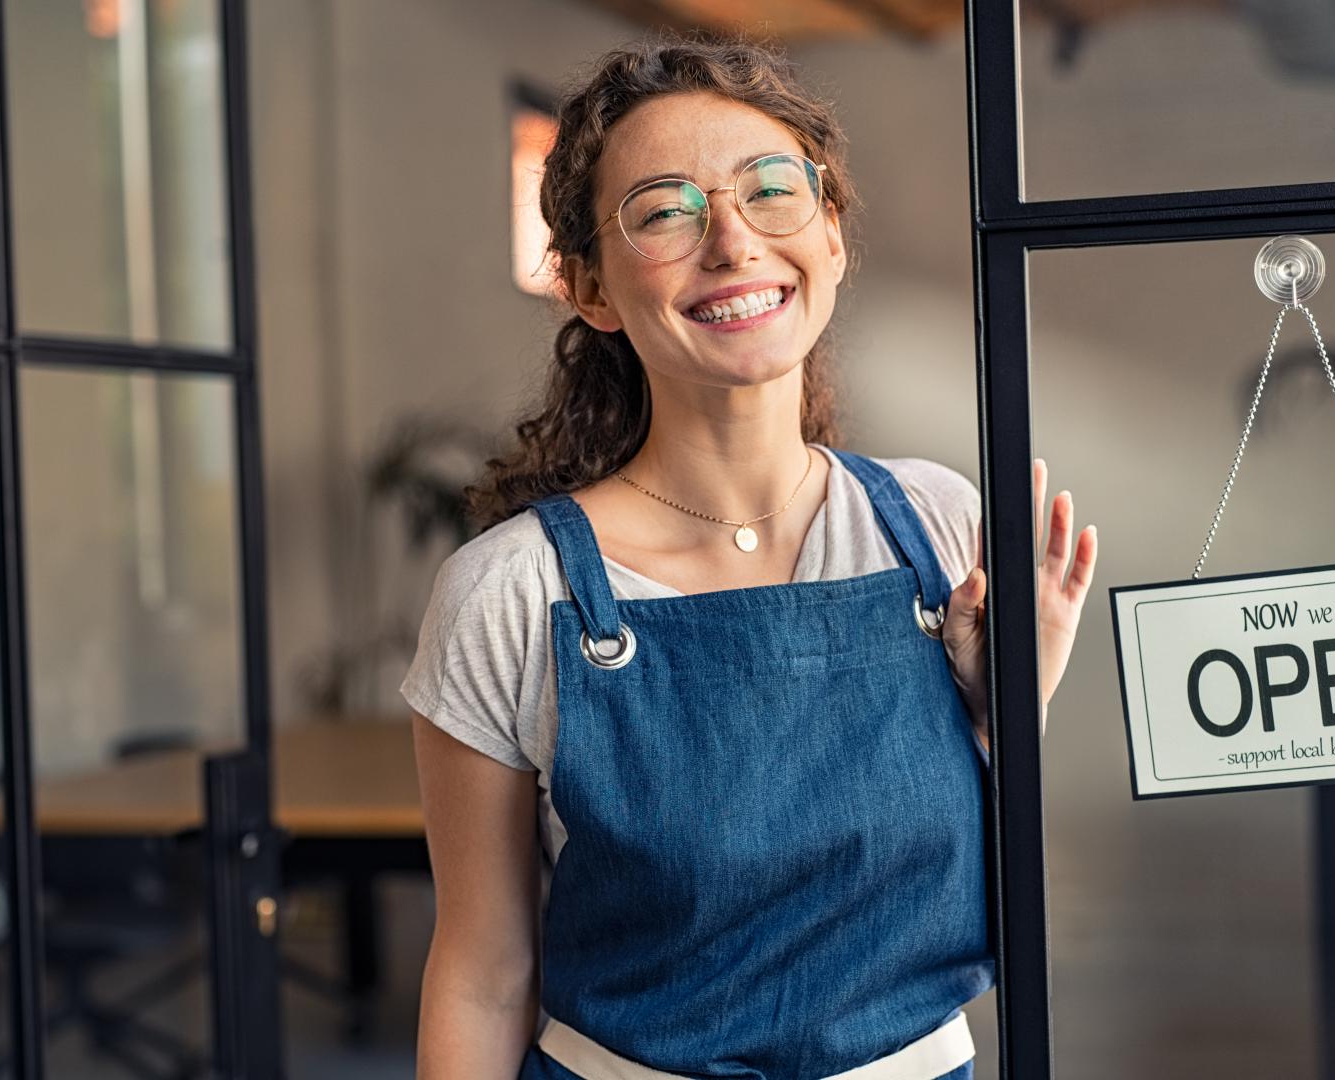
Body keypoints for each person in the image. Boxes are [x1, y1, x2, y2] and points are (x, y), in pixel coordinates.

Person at [403, 35, 1098, 1079]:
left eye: (770, 189)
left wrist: (1011, 714)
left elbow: (985, 893)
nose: (731, 241)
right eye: (665, 211)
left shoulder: (934, 524)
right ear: (590, 289)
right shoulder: (513, 592)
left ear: (829, 234)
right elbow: (481, 972)